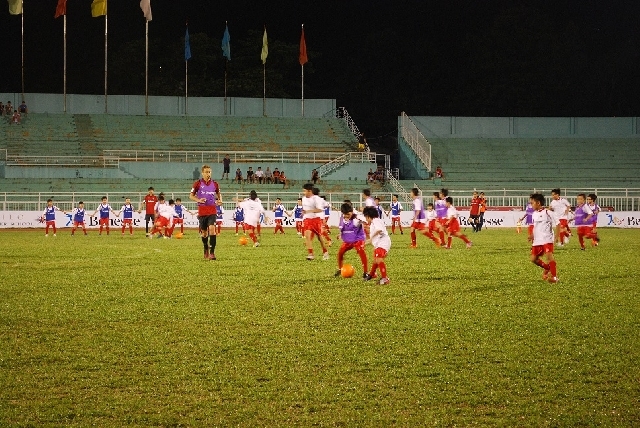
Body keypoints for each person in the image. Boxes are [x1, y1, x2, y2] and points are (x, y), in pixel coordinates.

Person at [189, 164, 222, 260]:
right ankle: (205, 248)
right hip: (202, 212)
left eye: (210, 172)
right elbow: (191, 196)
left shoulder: (215, 184)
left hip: (212, 210)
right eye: (206, 172)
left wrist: (220, 200)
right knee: (204, 233)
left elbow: (219, 193)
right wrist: (198, 200)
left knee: (212, 229)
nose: (208, 174)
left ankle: (212, 253)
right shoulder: (197, 183)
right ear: (202, 173)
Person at [529, 193, 558, 283]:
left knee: (549, 257)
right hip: (537, 240)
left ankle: (554, 277)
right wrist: (532, 235)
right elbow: (535, 226)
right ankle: (548, 268)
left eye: (532, 203)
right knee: (533, 259)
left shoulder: (547, 212)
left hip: (547, 239)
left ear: (538, 203)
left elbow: (558, 223)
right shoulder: (534, 214)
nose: (531, 205)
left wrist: (556, 236)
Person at [335, 203, 368, 279]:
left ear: (352, 211)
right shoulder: (342, 217)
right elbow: (342, 227)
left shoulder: (357, 217)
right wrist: (340, 234)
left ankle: (366, 272)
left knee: (361, 251)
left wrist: (364, 221)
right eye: (345, 214)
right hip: (348, 240)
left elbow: (365, 220)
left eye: (348, 214)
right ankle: (340, 269)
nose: (347, 216)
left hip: (358, 239)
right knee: (340, 253)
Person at [362, 206, 391, 285]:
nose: (366, 219)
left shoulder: (376, 220)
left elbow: (379, 230)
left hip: (383, 242)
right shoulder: (373, 222)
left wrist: (371, 239)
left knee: (378, 259)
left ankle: (385, 278)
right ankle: (371, 275)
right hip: (380, 243)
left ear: (368, 216)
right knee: (376, 260)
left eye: (366, 217)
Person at [302, 183, 329, 260]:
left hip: (315, 219)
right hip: (307, 219)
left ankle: (325, 251)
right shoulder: (303, 198)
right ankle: (310, 254)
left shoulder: (316, 198)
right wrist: (304, 213)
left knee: (319, 237)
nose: (303, 193)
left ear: (310, 191)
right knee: (307, 236)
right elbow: (305, 209)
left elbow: (320, 209)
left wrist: (309, 211)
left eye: (305, 191)